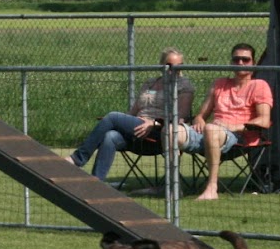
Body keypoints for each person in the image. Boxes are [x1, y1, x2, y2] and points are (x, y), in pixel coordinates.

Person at [69, 47, 194, 182]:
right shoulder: (150, 83)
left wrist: (154, 123)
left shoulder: (184, 86)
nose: (172, 69)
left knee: (112, 116)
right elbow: (134, 111)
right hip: (137, 130)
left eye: (178, 66)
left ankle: (77, 159)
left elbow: (182, 116)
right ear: (161, 65)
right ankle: (96, 183)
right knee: (110, 136)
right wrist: (125, 123)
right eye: (168, 65)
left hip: (160, 133)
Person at [173, 43, 272, 201]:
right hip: (211, 134)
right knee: (171, 131)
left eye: (245, 60)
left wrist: (233, 126)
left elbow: (264, 120)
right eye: (236, 59)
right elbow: (201, 115)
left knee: (212, 129)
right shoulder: (219, 84)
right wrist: (199, 121)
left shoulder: (259, 86)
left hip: (239, 138)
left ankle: (212, 188)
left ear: (253, 63)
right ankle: (172, 186)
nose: (240, 63)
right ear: (231, 62)